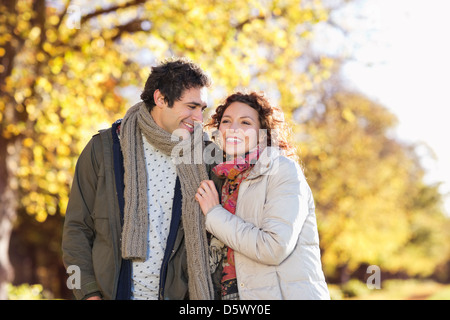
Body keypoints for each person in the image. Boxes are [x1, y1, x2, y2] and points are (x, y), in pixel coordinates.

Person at [62, 58, 216, 300]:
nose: (199, 118)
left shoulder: (206, 157)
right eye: (191, 106)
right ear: (161, 99)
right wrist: (88, 294)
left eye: (202, 109)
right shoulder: (103, 150)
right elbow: (76, 230)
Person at [195, 92, 330, 300]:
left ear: (262, 132)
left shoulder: (282, 170)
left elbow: (274, 248)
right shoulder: (221, 180)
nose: (233, 129)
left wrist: (214, 214)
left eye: (245, 122)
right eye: (226, 121)